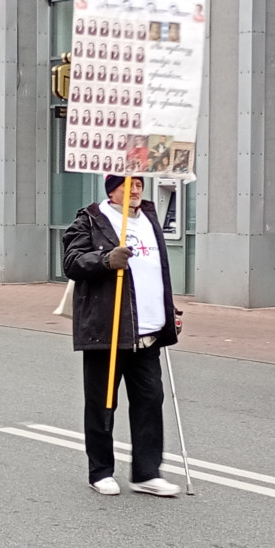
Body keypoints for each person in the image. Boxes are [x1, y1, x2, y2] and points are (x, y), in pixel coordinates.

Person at [62, 174, 181, 497]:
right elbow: (71, 262)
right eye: (127, 185)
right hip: (108, 329)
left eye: (140, 184)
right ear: (111, 190)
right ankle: (100, 471)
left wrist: (168, 309)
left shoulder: (150, 218)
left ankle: (146, 472)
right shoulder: (91, 219)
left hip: (148, 331)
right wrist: (104, 260)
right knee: (103, 402)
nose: (136, 190)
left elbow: (156, 271)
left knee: (150, 400)